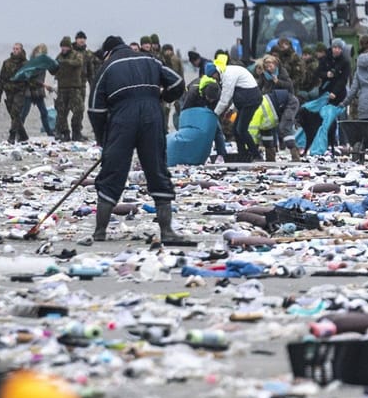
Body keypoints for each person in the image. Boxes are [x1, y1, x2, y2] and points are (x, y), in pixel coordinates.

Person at [87, 36, 184, 244]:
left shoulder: (106, 68)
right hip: (152, 116)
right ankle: (167, 231)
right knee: (157, 169)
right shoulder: (151, 60)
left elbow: (95, 109)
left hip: (122, 120)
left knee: (112, 172)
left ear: (107, 53)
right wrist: (163, 97)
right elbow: (177, 82)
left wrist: (103, 138)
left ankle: (100, 232)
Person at [208, 52, 264, 161]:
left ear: (216, 72)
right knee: (236, 129)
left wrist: (214, 114)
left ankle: (256, 155)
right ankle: (242, 154)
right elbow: (236, 93)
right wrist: (230, 110)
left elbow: (225, 98)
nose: (214, 79)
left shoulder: (227, 75)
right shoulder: (227, 72)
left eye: (212, 76)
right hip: (246, 100)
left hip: (250, 100)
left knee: (241, 129)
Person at [55, 36, 87, 141]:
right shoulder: (59, 57)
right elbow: (54, 70)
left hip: (74, 88)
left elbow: (78, 63)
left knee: (79, 110)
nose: (63, 49)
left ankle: (76, 132)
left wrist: (65, 62)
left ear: (69, 47)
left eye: (65, 47)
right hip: (62, 88)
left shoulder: (76, 55)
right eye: (62, 47)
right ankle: (65, 133)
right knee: (61, 113)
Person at [0, 43, 31, 143]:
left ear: (21, 50)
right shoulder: (7, 63)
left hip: (20, 91)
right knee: (13, 115)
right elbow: (2, 78)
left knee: (15, 112)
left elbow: (30, 78)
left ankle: (12, 135)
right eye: (14, 49)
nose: (15, 50)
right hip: (9, 91)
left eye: (17, 49)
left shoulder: (25, 64)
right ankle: (23, 135)